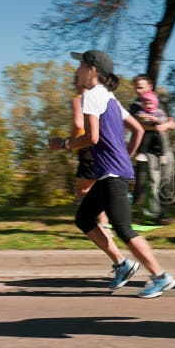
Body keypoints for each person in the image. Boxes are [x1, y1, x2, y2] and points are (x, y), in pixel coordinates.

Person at [49, 49, 175, 298]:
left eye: (80, 66)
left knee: (123, 228)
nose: (77, 70)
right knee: (84, 218)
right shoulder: (109, 97)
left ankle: (160, 276)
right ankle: (122, 264)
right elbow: (138, 129)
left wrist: (64, 144)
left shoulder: (91, 96)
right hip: (113, 171)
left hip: (112, 174)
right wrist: (125, 156)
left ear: (92, 71)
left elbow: (91, 137)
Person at [130, 75, 175, 225]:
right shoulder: (136, 105)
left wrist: (164, 126)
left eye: (141, 86)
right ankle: (151, 214)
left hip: (164, 146)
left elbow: (172, 123)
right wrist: (154, 126)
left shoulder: (161, 103)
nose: (138, 90)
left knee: (166, 180)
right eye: (136, 87)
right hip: (147, 149)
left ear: (149, 86)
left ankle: (162, 212)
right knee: (152, 181)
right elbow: (133, 124)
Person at [70, 75, 110, 233]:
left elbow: (78, 123)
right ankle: (103, 222)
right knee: (96, 185)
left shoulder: (78, 99)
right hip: (104, 144)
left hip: (86, 144)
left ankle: (100, 223)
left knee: (83, 188)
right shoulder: (102, 97)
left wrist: (71, 141)